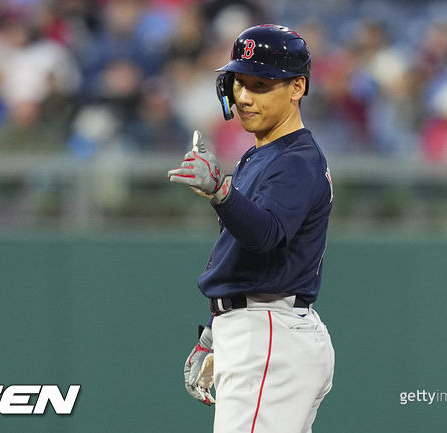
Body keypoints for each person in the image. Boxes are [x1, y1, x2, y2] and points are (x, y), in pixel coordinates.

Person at [167, 24, 335, 433]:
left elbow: (266, 236)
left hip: (268, 332)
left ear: (297, 88)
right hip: (263, 328)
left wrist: (221, 191)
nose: (244, 97)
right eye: (239, 83)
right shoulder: (266, 153)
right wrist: (216, 330)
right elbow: (244, 250)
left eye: (261, 85)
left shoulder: (294, 160)